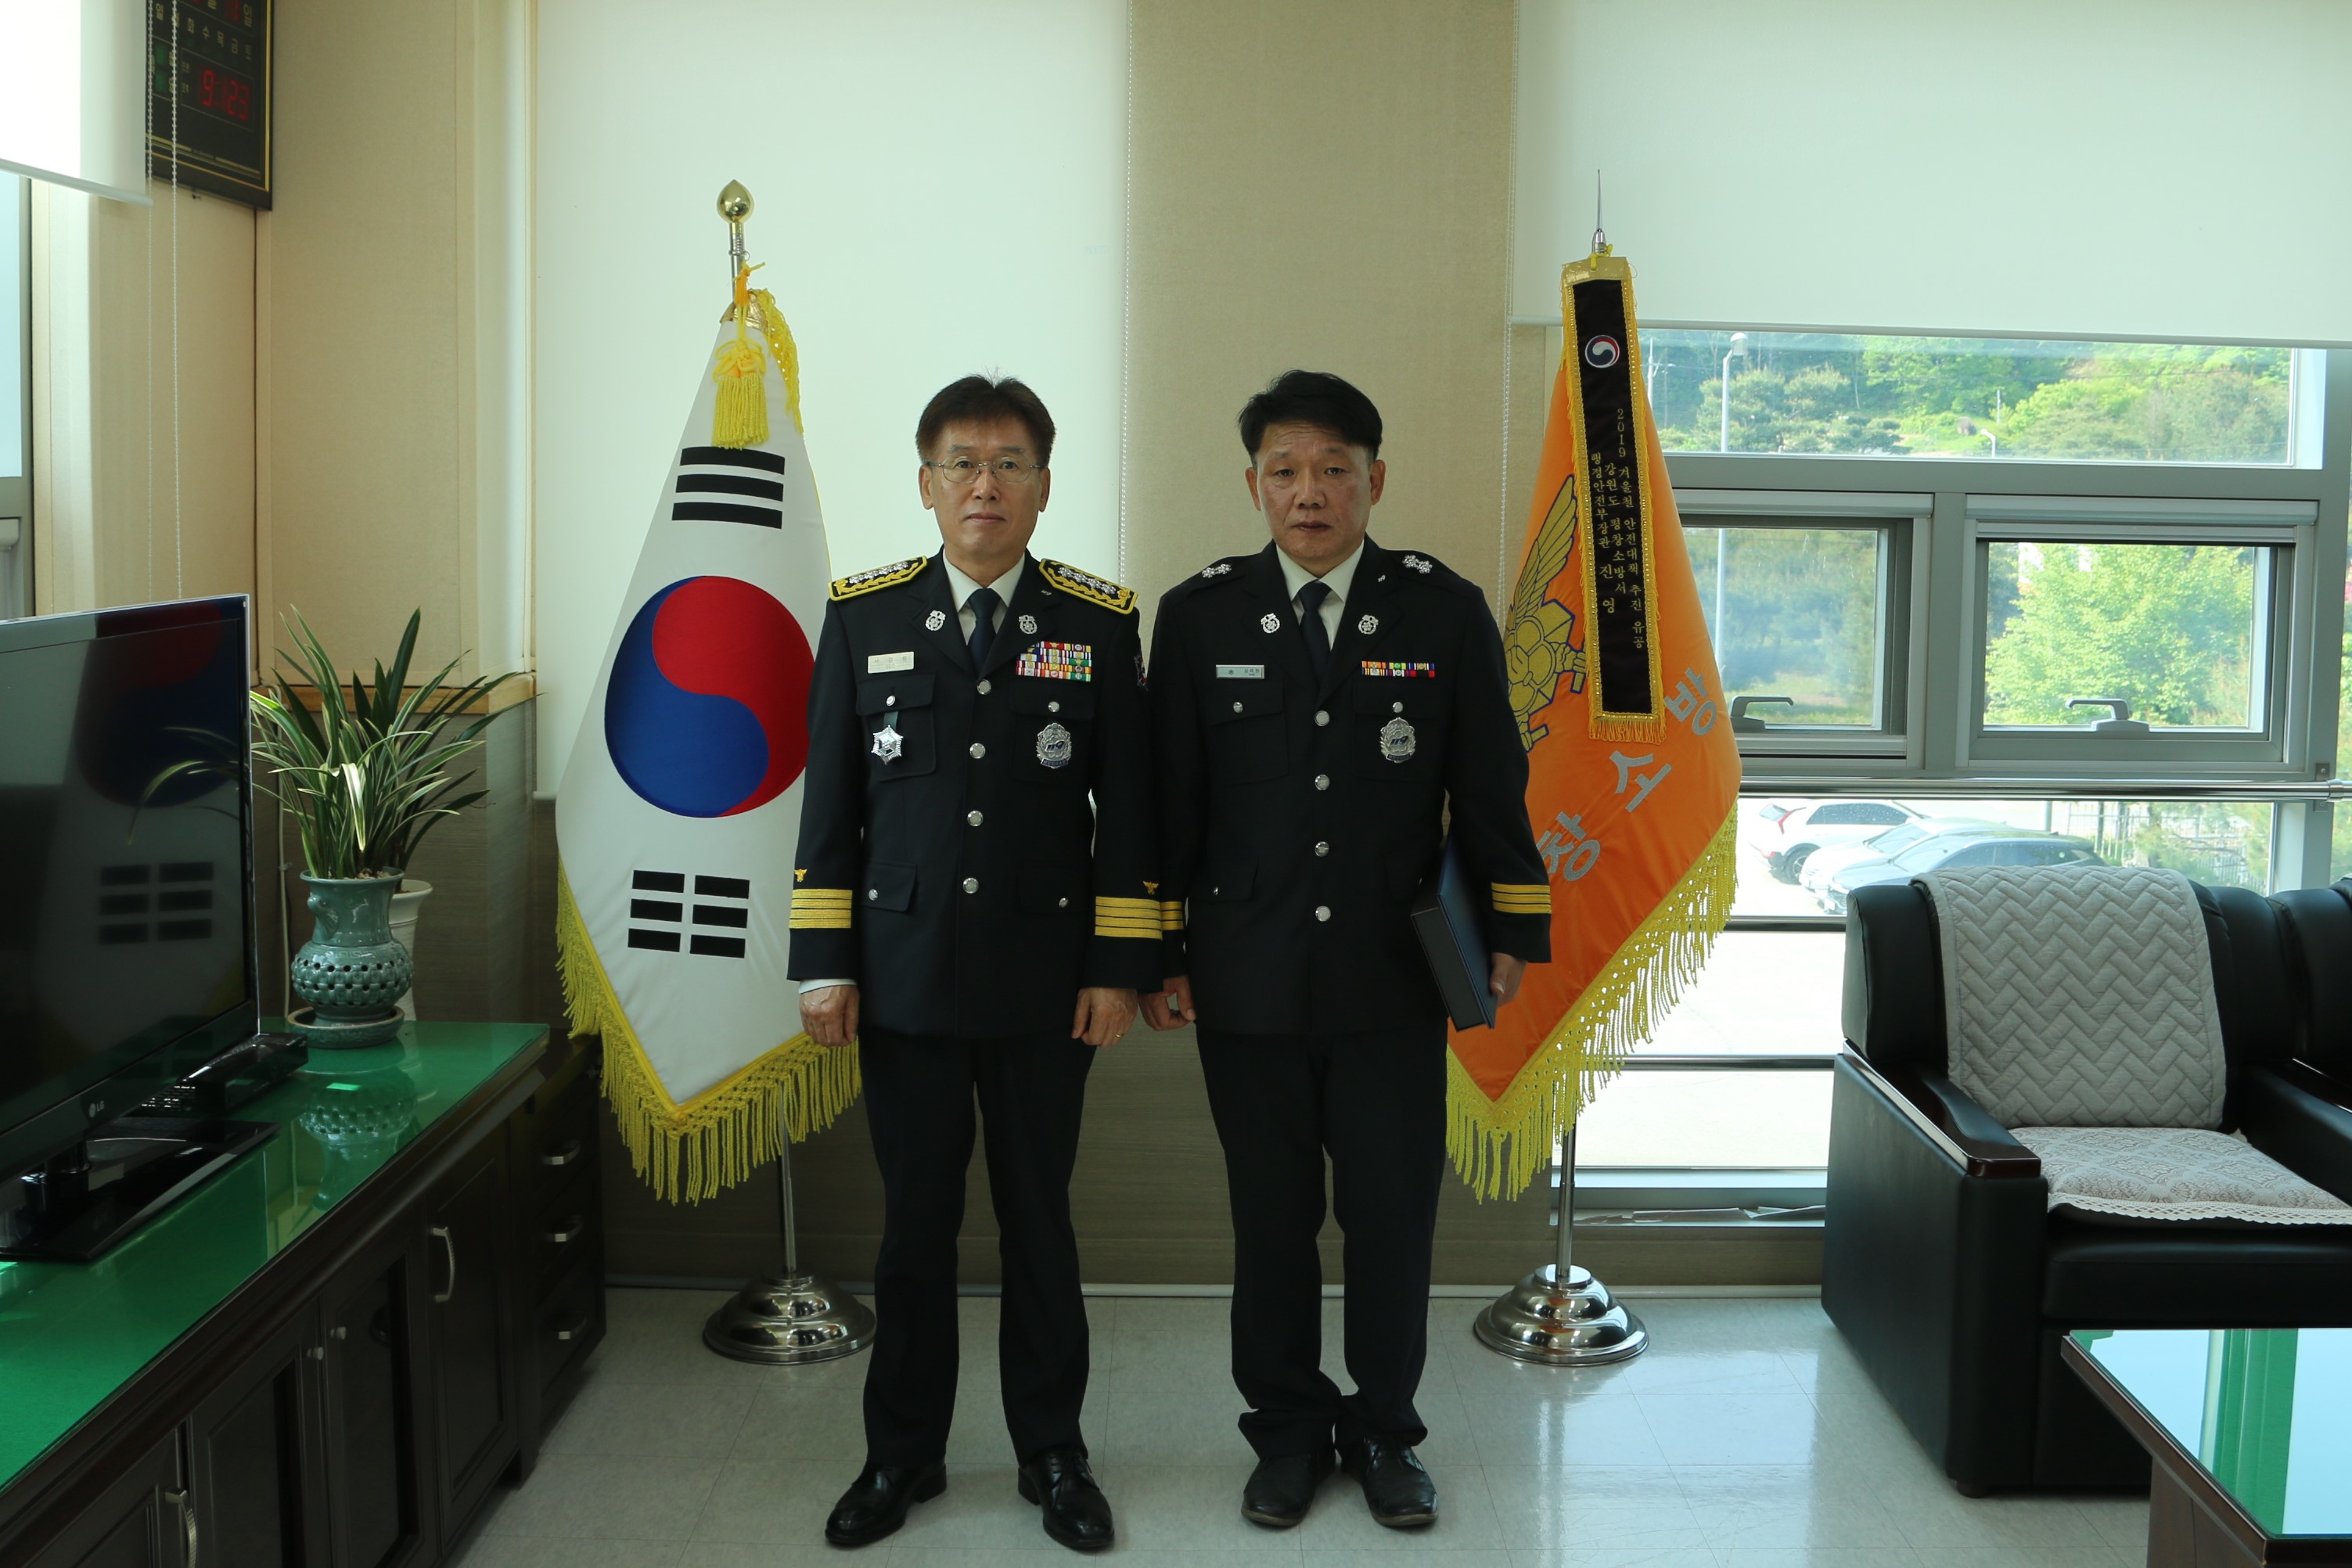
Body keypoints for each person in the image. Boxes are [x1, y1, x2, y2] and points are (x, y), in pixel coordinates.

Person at [1142, 369, 1551, 1530]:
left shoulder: (1439, 608)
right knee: (1270, 1223)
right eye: (1285, 471)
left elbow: (1490, 783)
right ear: (1253, 486)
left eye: (1333, 469)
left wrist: (1513, 925)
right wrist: (1161, 947)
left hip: (1391, 977)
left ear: (1376, 480)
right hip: (1246, 979)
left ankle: (1383, 1433)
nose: (1309, 492)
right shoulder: (1201, 614)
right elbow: (1170, 802)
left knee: (1389, 1222)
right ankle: (1283, 1433)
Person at [789, 375, 1157, 1553]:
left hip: (1048, 986)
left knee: (1040, 1223)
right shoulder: (865, 617)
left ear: (1043, 487)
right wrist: (822, 963)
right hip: (901, 982)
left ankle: (1053, 1452)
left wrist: (1117, 966)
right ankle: (901, 1453)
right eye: (961, 463)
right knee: (913, 1231)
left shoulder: (1099, 622)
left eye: (1008, 465)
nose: (983, 485)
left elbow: (1130, 814)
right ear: (925, 484)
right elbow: (830, 808)